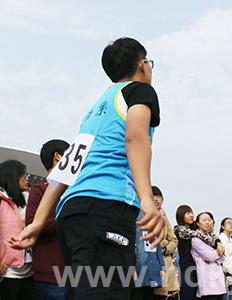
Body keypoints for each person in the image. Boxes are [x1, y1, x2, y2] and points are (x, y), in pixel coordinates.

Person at [10, 37, 165, 300]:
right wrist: (147, 199)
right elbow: (136, 139)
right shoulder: (138, 91)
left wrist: (38, 222)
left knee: (86, 292)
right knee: (106, 292)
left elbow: (66, 169)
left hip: (72, 216)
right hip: (107, 207)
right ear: (142, 65)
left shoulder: (93, 112)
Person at [25, 139, 69, 300]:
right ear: (58, 156)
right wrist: (66, 219)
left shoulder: (72, 191)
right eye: (70, 155)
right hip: (50, 276)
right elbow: (31, 224)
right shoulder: (39, 189)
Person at [174, 205, 223, 300]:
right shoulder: (179, 229)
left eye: (192, 213)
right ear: (180, 216)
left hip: (198, 268)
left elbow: (211, 234)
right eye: (188, 213)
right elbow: (201, 235)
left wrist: (218, 242)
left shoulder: (194, 229)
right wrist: (217, 243)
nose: (191, 215)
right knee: (188, 295)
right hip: (187, 268)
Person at [0, 160, 33, 300]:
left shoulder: (28, 200)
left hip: (30, 272)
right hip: (8, 273)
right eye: (24, 175)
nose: (27, 179)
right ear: (14, 177)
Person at [151, 186, 180, 300]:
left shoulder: (164, 217)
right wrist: (161, 244)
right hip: (151, 263)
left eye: (158, 196)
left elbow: (173, 239)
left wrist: (165, 249)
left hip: (167, 264)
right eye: (153, 196)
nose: (156, 199)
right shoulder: (142, 216)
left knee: (166, 294)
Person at [191, 212, 226, 300]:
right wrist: (219, 251)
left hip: (218, 278)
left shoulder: (213, 238)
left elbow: (223, 257)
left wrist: (219, 253)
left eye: (209, 220)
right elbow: (209, 256)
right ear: (198, 223)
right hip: (207, 279)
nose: (207, 222)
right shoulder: (196, 239)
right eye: (204, 220)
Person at [131, 211, 165, 300]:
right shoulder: (132, 232)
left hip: (152, 271)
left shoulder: (154, 232)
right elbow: (130, 252)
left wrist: (162, 268)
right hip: (137, 271)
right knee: (137, 294)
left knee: (149, 294)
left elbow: (159, 252)